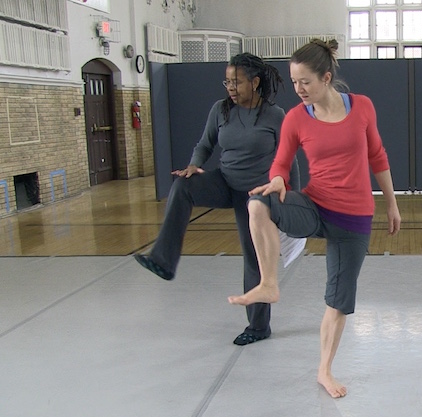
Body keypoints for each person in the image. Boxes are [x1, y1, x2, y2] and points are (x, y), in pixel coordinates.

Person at [227, 39, 401, 398]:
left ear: (326, 77)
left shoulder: (362, 107)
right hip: (314, 206)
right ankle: (269, 282)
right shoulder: (295, 118)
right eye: (293, 82)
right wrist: (278, 179)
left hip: (354, 217)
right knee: (257, 204)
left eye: (305, 81)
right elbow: (281, 162)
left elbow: (378, 156)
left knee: (338, 302)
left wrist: (391, 204)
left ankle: (324, 371)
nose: (299, 89)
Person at [134, 53, 303, 346]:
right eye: (227, 81)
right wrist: (194, 163)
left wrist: (294, 198)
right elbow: (205, 143)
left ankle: (259, 326)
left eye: (236, 82)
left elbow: (290, 158)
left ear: (255, 82)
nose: (230, 87)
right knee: (183, 186)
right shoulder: (220, 110)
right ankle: (163, 260)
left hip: (256, 197)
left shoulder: (274, 116)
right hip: (224, 182)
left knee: (254, 260)